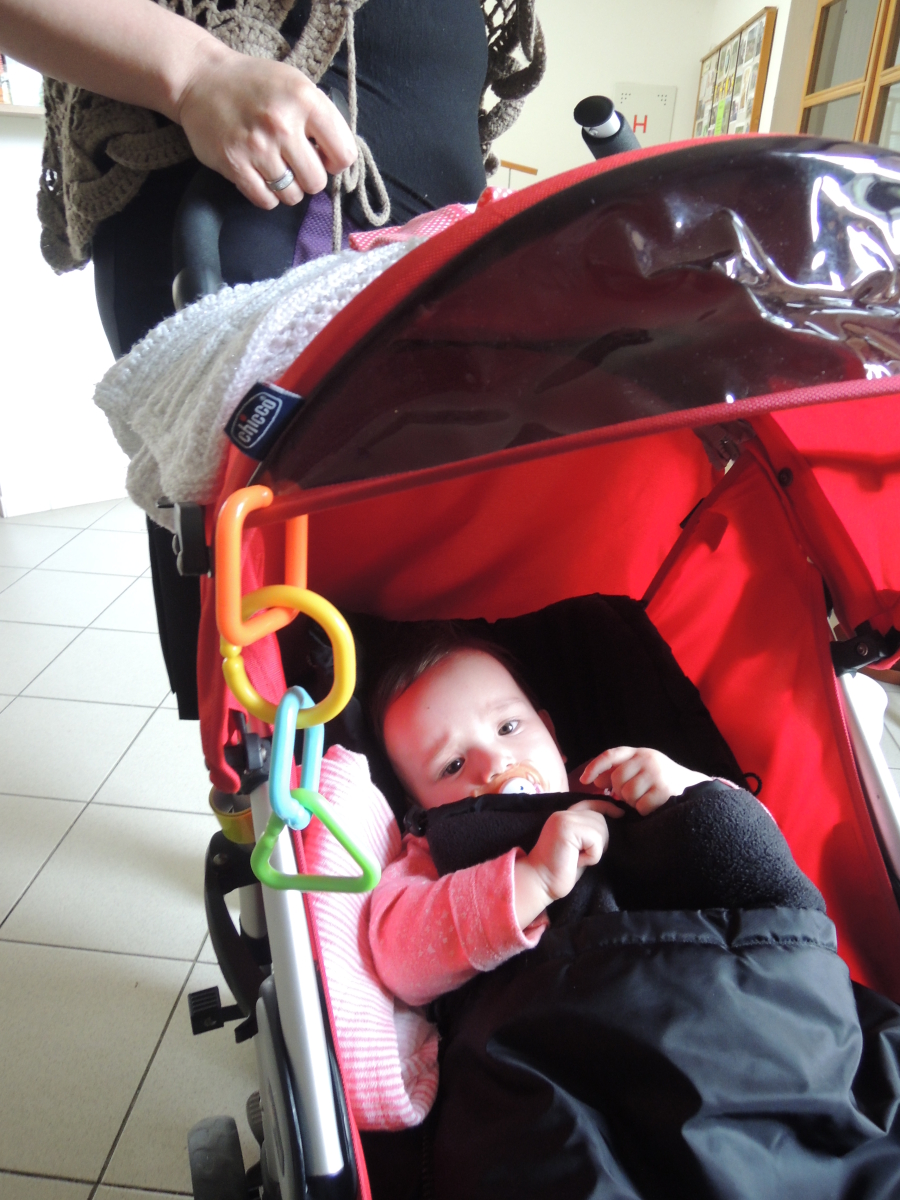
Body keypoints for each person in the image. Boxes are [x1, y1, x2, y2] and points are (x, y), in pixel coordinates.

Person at [0, 0, 545, 719]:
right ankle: (266, 779)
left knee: (450, 596)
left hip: (430, 231)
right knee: (257, 601)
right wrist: (195, 73)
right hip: (252, 202)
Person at [368, 633, 717, 1006]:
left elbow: (739, 839)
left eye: (507, 728)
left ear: (551, 735)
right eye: (453, 765)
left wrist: (684, 788)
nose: (495, 763)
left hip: (698, 973)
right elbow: (397, 959)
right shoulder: (435, 850)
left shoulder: (612, 784)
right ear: (420, 809)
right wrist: (535, 879)